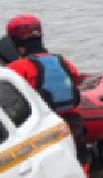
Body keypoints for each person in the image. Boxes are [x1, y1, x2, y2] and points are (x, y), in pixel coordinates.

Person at [5, 14, 89, 165]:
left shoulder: (16, 69)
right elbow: (75, 79)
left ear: (17, 44)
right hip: (74, 127)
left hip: (44, 133)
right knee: (81, 172)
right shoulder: (63, 61)